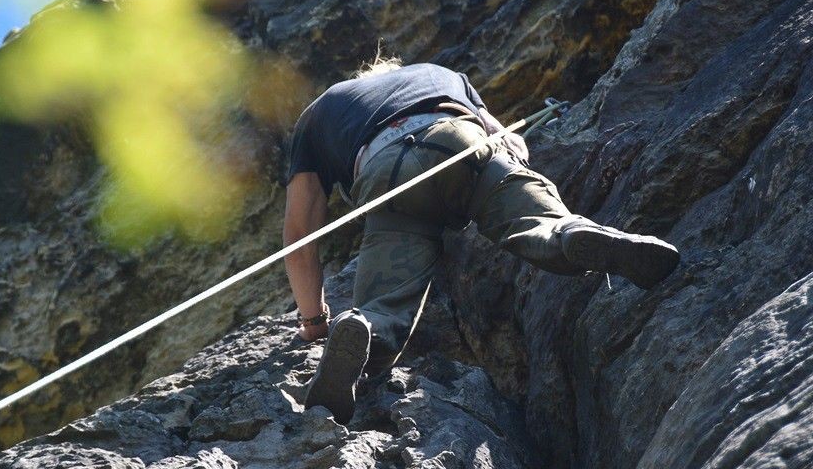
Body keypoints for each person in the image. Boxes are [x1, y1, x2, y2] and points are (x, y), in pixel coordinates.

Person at [283, 59, 679, 424]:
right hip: (459, 137)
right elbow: (510, 143)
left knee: (386, 303)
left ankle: (365, 327)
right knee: (537, 220)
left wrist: (315, 321)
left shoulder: (320, 111)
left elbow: (300, 235)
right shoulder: (438, 73)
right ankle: (570, 234)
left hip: (387, 172)